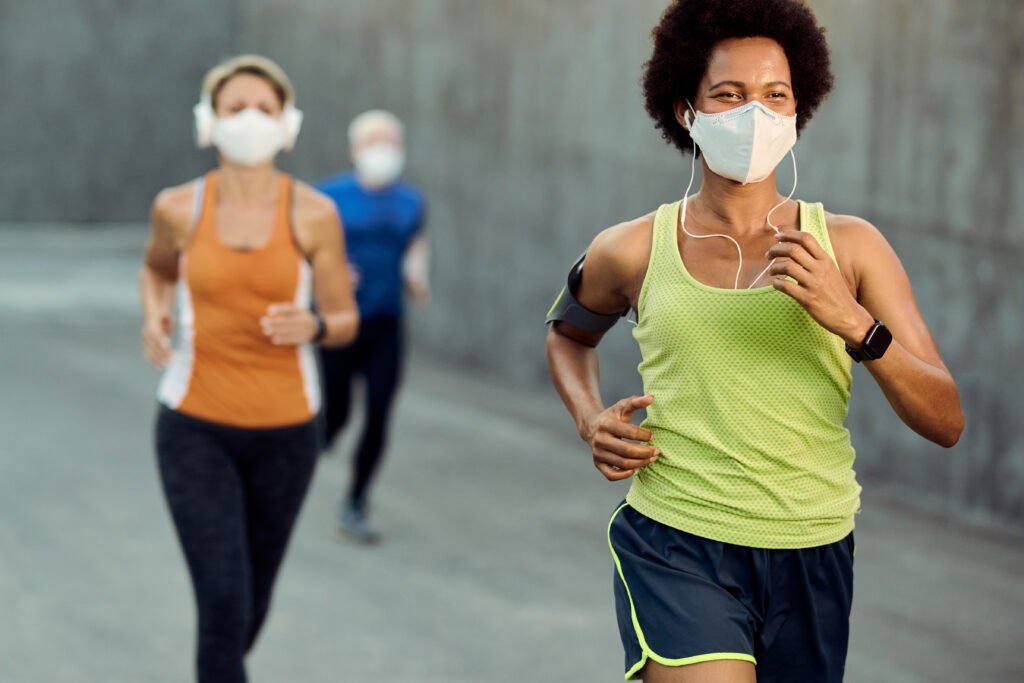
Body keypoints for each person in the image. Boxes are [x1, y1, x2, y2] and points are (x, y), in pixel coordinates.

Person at [545, 2, 964, 682]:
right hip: (676, 537)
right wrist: (589, 417)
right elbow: (568, 333)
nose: (756, 116)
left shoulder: (852, 248)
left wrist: (853, 320)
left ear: (800, 110)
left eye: (776, 96)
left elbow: (945, 419)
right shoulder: (629, 248)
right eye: (730, 95)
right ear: (687, 110)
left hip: (812, 547)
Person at [139, 54, 358, 683]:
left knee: (248, 608)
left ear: (288, 124)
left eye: (265, 108)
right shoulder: (177, 208)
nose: (251, 120)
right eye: (236, 107)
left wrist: (313, 325)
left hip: (288, 435)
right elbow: (155, 270)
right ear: (207, 121)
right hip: (192, 427)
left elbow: (345, 320)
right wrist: (153, 316)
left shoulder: (313, 213)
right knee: (224, 603)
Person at [315, 110, 429, 543]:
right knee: (337, 412)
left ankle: (356, 501)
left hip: (386, 322)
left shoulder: (411, 202)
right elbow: (305, 251)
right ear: (354, 149)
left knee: (380, 413)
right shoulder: (327, 198)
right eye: (373, 141)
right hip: (339, 322)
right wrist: (329, 272)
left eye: (390, 141)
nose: (383, 150)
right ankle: (296, 461)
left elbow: (415, 244)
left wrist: (418, 275)